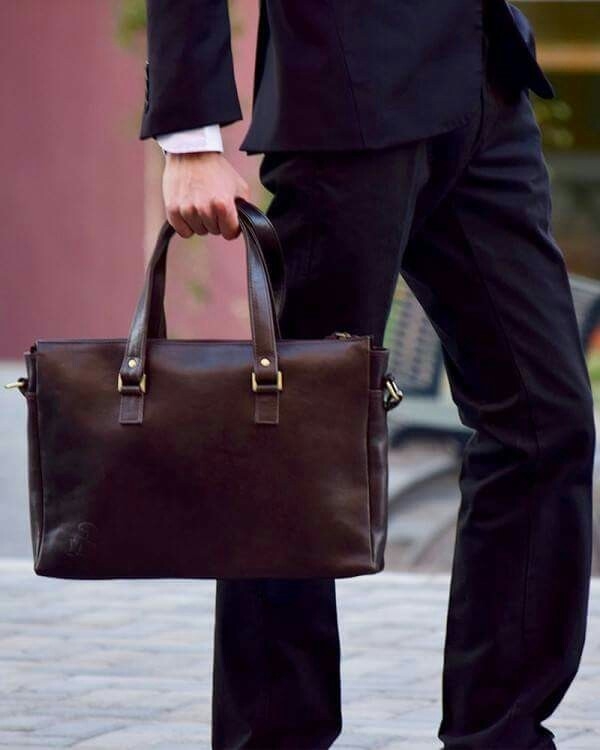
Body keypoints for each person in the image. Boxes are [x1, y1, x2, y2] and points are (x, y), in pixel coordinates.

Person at [141, 1, 595, 748]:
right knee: (294, 436)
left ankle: (502, 736)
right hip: (349, 94)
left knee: (547, 423)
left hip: (484, 84)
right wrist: (190, 135)